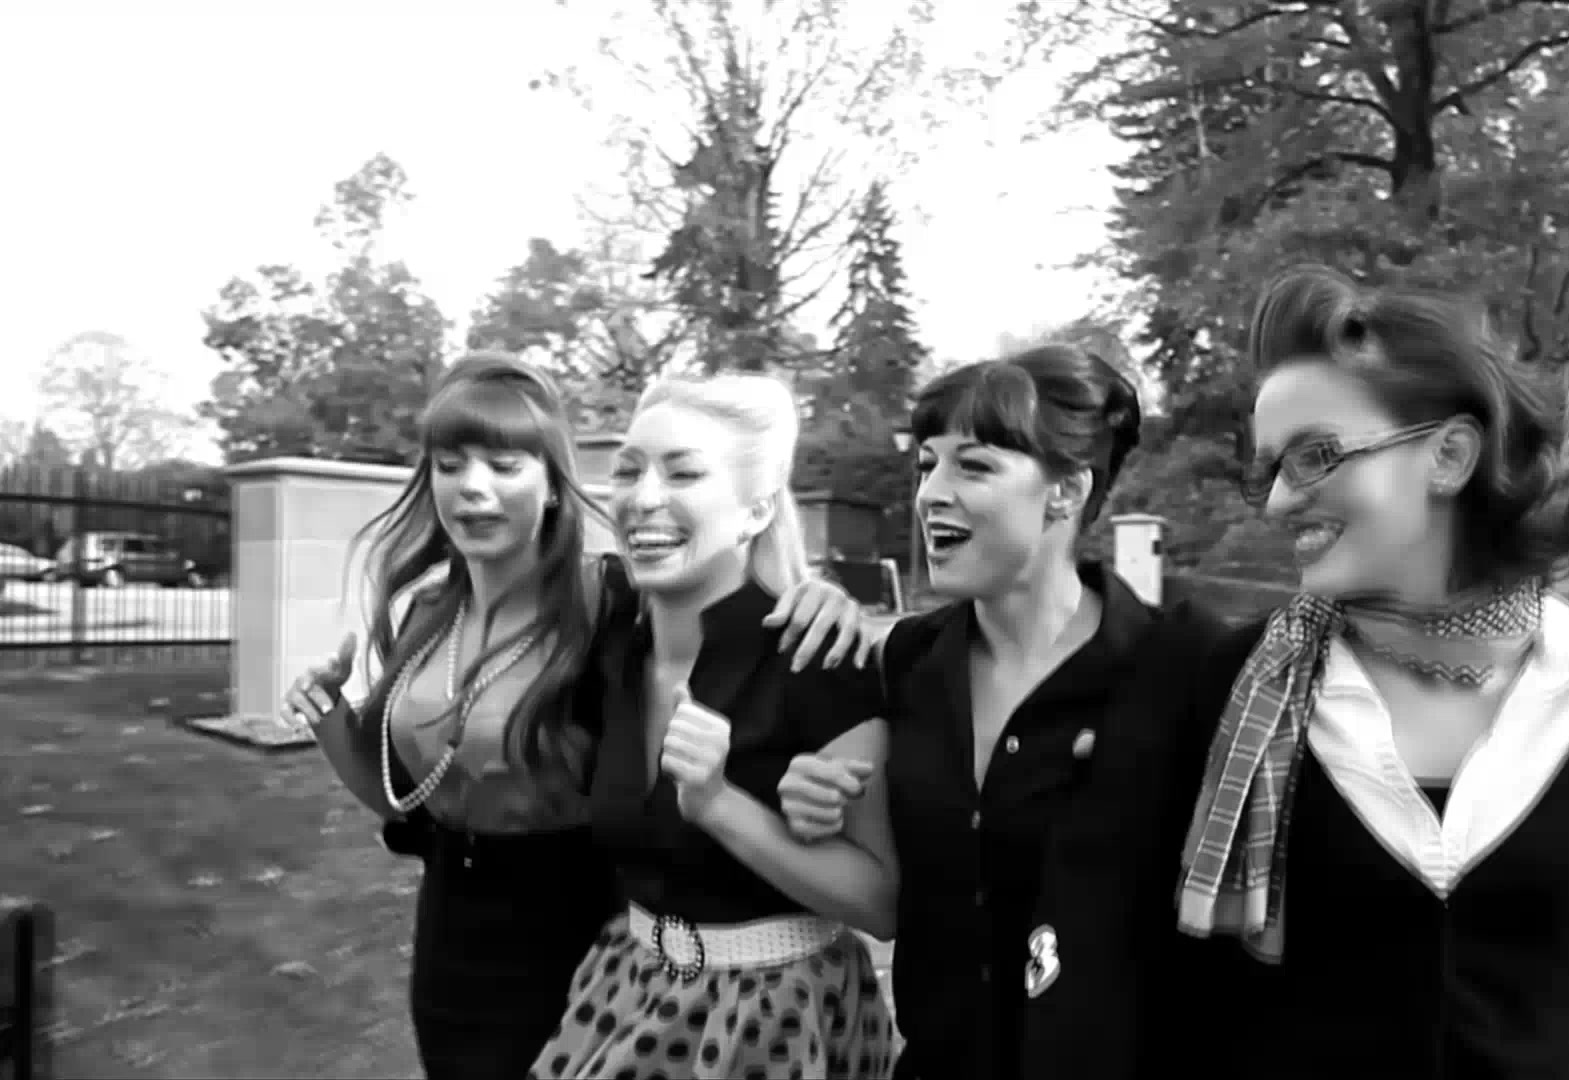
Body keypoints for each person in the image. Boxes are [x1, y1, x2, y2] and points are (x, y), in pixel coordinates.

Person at [280, 354, 878, 1080]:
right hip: (459, 935)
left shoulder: (606, 604)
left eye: (505, 465)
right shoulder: (430, 614)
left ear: (554, 485)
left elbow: (715, 588)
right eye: (449, 465)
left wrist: (817, 594)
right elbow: (405, 793)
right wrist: (329, 718)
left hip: (576, 933)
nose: (473, 487)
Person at [1174, 266, 1569, 1078]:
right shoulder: (1241, 682)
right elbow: (1189, 1002)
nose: (1276, 502)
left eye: (1313, 456)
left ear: (1448, 456)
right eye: (1269, 469)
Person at [778, 345, 1239, 1080]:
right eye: (927, 464)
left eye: (973, 466)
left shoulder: (1186, 665)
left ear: (1066, 490)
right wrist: (813, 803)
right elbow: (891, 890)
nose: (930, 493)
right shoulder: (908, 661)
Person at [530, 373, 897, 1080]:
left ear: (757, 509)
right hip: (627, 990)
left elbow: (880, 902)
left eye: (684, 472)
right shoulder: (612, 647)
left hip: (774, 1021)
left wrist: (718, 805)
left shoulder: (818, 658)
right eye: (629, 470)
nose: (644, 497)